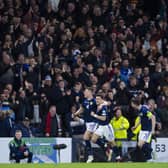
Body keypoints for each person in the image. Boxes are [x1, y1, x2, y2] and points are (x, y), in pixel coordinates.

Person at [90, 93, 121, 162]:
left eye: (98, 99)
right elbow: (108, 103)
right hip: (101, 126)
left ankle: (118, 157)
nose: (97, 100)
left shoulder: (103, 107)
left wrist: (94, 115)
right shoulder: (98, 105)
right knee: (93, 139)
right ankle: (105, 146)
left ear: (102, 100)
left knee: (112, 143)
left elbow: (104, 118)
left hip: (106, 127)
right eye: (96, 99)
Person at [74, 88, 97, 163]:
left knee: (89, 138)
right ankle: (91, 155)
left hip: (93, 122)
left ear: (90, 92)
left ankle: (91, 155)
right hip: (87, 123)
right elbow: (81, 109)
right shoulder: (85, 101)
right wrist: (76, 113)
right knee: (88, 139)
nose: (84, 93)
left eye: (86, 92)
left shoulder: (95, 101)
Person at [131, 97, 156, 161]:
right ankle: (149, 158)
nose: (131, 104)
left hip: (147, 130)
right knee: (140, 146)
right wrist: (136, 126)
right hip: (142, 130)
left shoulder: (144, 109)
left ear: (134, 104)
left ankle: (151, 152)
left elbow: (153, 117)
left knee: (140, 145)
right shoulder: (140, 109)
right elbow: (140, 118)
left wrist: (153, 129)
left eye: (131, 103)